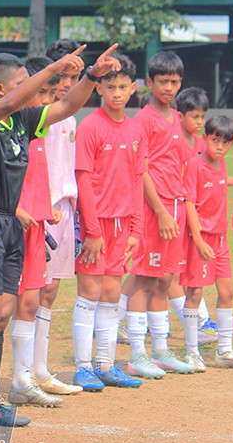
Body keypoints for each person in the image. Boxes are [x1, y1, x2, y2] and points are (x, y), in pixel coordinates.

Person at [0, 43, 120, 429]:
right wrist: (54, 68)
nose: (33, 90)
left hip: (9, 225)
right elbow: (15, 102)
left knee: (2, 316)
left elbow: (67, 106)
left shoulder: (23, 121)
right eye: (21, 83)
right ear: (0, 90)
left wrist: (91, 75)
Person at [72, 52, 147, 390]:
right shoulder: (90, 126)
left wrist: (136, 230)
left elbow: (137, 180)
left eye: (123, 86)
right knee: (89, 293)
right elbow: (83, 179)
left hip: (122, 226)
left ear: (133, 88)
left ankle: (105, 364)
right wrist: (91, 230)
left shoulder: (135, 129)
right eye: (111, 86)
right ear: (99, 88)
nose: (117, 93)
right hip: (96, 226)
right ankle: (82, 367)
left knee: (112, 294)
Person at [122, 51, 198, 375]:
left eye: (174, 82)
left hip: (175, 206)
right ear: (149, 82)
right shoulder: (144, 119)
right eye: (163, 81)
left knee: (165, 279)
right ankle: (137, 354)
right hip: (156, 210)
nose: (169, 87)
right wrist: (161, 211)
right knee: (143, 279)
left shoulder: (176, 118)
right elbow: (141, 170)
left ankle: (162, 350)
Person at [7, 58, 63, 407]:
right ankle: (2, 382)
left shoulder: (38, 130)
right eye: (40, 92)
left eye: (50, 94)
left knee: (31, 301)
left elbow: (37, 177)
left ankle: (22, 379)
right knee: (3, 307)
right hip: (13, 225)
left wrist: (45, 208)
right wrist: (17, 209)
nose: (45, 100)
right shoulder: (10, 129)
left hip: (36, 224)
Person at [180, 115, 233, 370]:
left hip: (221, 238)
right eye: (215, 140)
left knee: (227, 291)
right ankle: (191, 352)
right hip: (201, 238)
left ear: (232, 144)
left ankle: (225, 350)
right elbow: (189, 203)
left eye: (225, 142)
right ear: (205, 138)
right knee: (195, 292)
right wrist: (199, 240)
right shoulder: (194, 165)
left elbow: (219, 182)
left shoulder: (220, 164)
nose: (219, 146)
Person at [31, 42, 83, 398]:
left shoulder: (71, 117)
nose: (67, 84)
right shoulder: (39, 116)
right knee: (33, 292)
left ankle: (40, 369)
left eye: (74, 78)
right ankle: (28, 371)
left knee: (50, 291)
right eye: (62, 76)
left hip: (65, 210)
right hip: (42, 211)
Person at [173, 86, 218, 346]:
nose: (200, 122)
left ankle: (202, 320)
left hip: (192, 216)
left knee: (180, 271)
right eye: (195, 116)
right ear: (180, 116)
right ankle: (200, 321)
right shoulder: (174, 141)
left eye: (203, 116)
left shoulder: (201, 144)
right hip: (174, 212)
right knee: (167, 271)